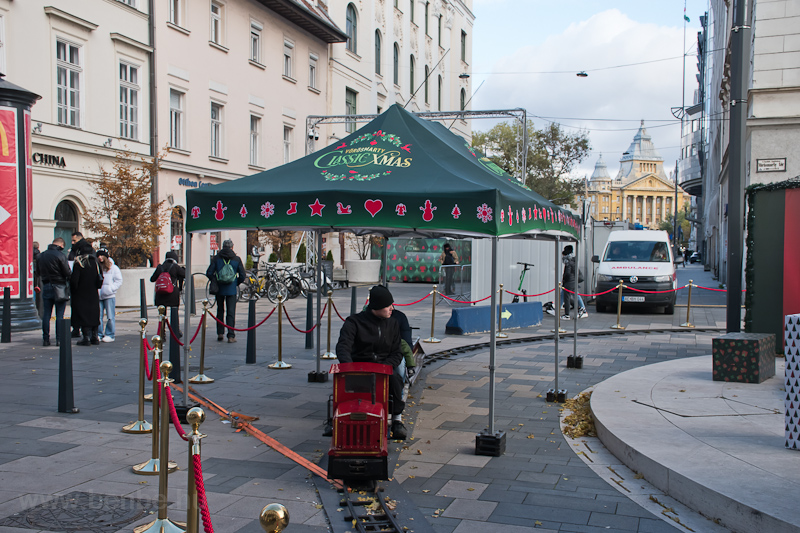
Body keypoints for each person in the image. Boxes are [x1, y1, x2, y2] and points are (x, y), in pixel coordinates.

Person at [336, 285, 407, 440]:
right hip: (359, 366)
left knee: (396, 378)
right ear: (377, 307)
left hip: (384, 366)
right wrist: (349, 368)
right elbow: (343, 346)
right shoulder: (353, 322)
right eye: (388, 306)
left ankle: (397, 419)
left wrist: (385, 366)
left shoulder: (393, 324)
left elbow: (397, 352)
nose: (392, 309)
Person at [206, 239, 245, 343]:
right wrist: (235, 282)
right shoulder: (236, 259)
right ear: (232, 247)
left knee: (220, 310)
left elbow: (209, 272)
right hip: (231, 289)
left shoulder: (217, 258)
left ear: (222, 247)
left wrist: (215, 279)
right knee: (231, 312)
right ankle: (231, 335)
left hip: (219, 288)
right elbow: (242, 275)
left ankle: (220, 333)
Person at [37, 237, 71, 346]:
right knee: (59, 314)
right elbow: (67, 272)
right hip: (59, 286)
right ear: (61, 245)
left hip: (46, 285)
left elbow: (38, 271)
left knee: (46, 314)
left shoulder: (41, 255)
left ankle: (46, 339)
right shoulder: (60, 255)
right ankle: (59, 339)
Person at [70, 239, 103, 346]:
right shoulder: (95, 263)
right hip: (93, 292)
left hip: (81, 293)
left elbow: (74, 280)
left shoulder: (79, 263)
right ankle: (95, 336)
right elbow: (100, 278)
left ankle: (86, 337)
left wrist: (73, 289)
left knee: (83, 315)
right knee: (94, 314)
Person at [150, 251, 186, 333]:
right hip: (172, 294)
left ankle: (162, 331)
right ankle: (176, 330)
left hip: (160, 294)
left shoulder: (160, 267)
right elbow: (185, 275)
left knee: (162, 314)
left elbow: (152, 279)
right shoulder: (176, 267)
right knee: (174, 313)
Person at [97, 248, 123, 342]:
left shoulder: (114, 268)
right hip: (99, 295)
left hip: (109, 295)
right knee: (98, 316)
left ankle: (110, 334)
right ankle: (99, 334)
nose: (100, 258)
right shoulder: (97, 267)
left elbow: (119, 280)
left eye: (102, 256)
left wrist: (111, 289)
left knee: (110, 316)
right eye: (98, 256)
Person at [561, 245, 587, 320]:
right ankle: (583, 309)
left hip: (569, 282)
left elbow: (568, 273)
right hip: (574, 281)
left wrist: (565, 280)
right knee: (570, 295)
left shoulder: (568, 261)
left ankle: (567, 314)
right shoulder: (573, 260)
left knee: (567, 297)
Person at [67, 232, 84, 338]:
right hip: (74, 283)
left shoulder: (82, 250)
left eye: (74, 241)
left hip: (82, 283)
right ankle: (76, 328)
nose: (73, 243)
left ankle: (82, 328)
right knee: (75, 307)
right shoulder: (73, 251)